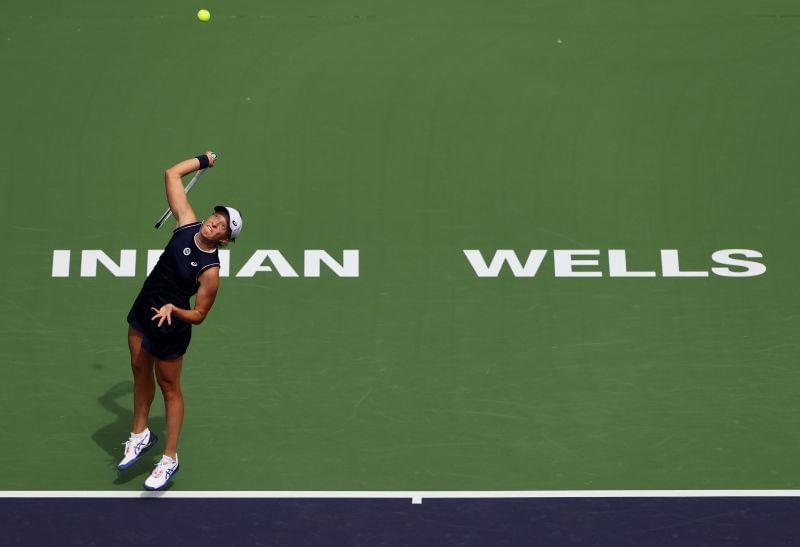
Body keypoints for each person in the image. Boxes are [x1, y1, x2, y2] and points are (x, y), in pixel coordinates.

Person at [116, 151, 243, 491]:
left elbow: (199, 315)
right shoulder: (186, 222)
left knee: (169, 388)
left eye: (221, 225)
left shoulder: (211, 272)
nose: (214, 222)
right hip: (145, 306)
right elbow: (172, 174)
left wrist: (175, 311)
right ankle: (139, 433)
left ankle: (169, 457)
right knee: (138, 368)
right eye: (215, 216)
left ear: (225, 239)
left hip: (172, 324)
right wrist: (204, 159)